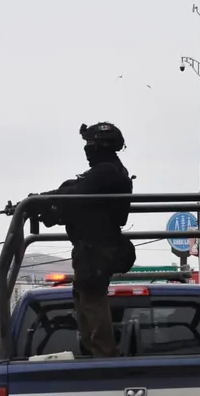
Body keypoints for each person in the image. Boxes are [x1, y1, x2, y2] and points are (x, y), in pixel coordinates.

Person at [36, 122, 135, 358]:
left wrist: (46, 198)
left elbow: (78, 194)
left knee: (91, 301)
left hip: (97, 249)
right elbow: (77, 195)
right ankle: (98, 354)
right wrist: (50, 204)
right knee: (85, 298)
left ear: (102, 145)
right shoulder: (105, 172)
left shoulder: (107, 172)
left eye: (90, 143)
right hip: (92, 248)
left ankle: (103, 358)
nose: (87, 149)